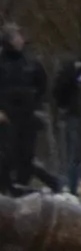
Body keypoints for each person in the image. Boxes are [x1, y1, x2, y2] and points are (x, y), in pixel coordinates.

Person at [0, 24, 43, 191]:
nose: (20, 40)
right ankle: (5, 186)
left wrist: (36, 105)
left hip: (27, 114)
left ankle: (22, 185)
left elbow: (41, 84)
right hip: (6, 115)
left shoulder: (30, 62)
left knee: (26, 153)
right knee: (7, 154)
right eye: (16, 37)